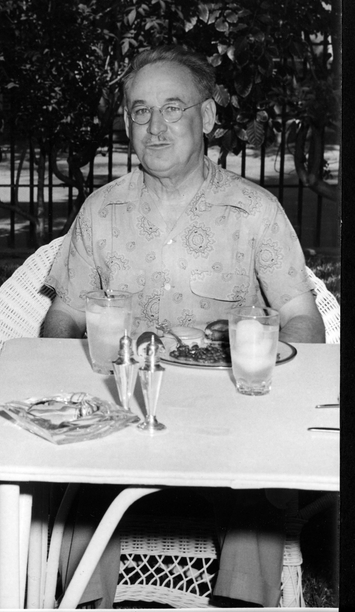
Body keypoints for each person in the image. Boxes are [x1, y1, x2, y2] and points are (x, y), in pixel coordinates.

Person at [42, 46, 325, 608]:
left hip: (229, 415)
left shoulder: (256, 211)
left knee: (259, 480)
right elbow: (65, 315)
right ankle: (87, 601)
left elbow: (300, 316)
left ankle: (244, 602)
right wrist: (60, 375)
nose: (156, 125)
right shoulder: (100, 211)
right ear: (126, 122)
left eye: (174, 107)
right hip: (123, 405)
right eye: (141, 110)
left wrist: (274, 386)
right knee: (75, 464)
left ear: (208, 118)